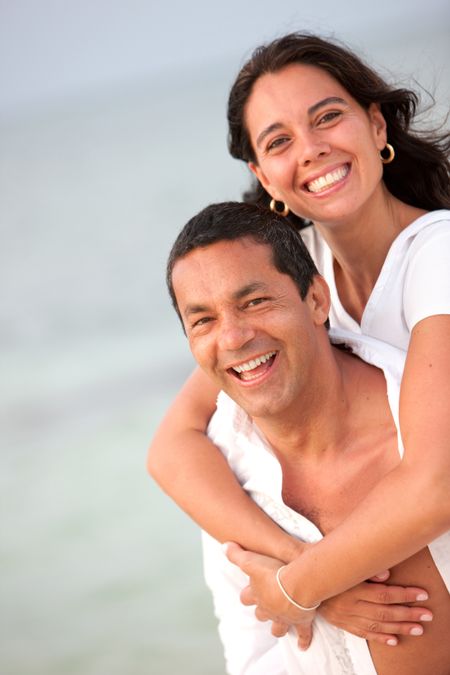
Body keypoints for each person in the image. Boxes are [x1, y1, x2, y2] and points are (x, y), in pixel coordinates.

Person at [148, 32, 450, 644]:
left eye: (327, 117)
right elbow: (173, 446)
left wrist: (294, 589)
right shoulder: (295, 268)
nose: (310, 150)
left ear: (375, 125)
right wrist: (300, 569)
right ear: (263, 175)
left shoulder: (438, 256)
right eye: (279, 141)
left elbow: (436, 483)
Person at [166, 200, 450, 675]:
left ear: (317, 300)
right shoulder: (229, 471)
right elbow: (252, 656)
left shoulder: (422, 431)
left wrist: (294, 588)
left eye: (254, 301)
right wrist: (308, 580)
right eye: (203, 321)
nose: (233, 338)